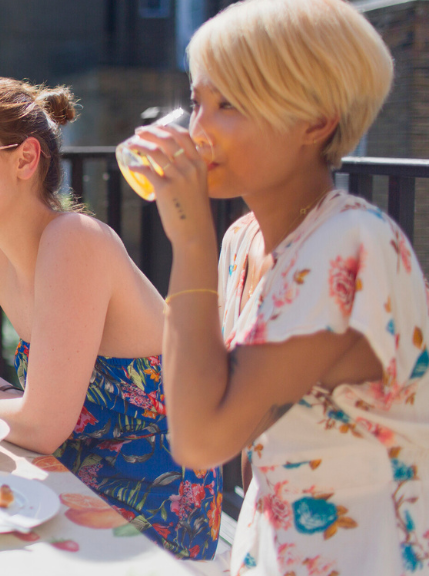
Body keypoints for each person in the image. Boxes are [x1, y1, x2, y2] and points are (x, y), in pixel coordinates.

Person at [126, 0, 428, 573]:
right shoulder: (243, 241)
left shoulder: (352, 243)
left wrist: (190, 243)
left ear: (315, 121)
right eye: (198, 102)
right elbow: (222, 417)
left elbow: (200, 442)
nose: (200, 129)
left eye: (230, 104)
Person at [0, 77, 221, 560]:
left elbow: (39, 426)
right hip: (63, 484)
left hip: (150, 515)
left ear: (24, 158)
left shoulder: (75, 240)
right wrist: (7, 401)